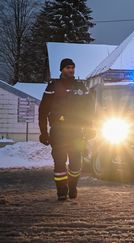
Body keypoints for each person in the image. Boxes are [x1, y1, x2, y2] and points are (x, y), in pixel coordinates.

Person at [38, 58, 94, 201]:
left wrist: (90, 128)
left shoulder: (80, 87)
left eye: (72, 67)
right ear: (62, 69)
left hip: (76, 132)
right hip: (58, 132)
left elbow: (88, 110)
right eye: (68, 67)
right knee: (60, 162)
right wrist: (43, 132)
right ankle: (62, 192)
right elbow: (43, 111)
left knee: (76, 163)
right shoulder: (53, 86)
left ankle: (72, 185)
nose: (71, 70)